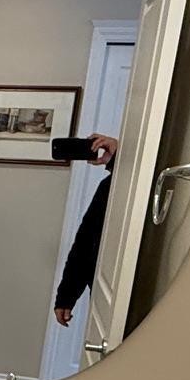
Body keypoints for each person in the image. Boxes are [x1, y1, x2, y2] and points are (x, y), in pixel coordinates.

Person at [53, 135, 121, 325]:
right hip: (104, 294)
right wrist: (66, 296)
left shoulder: (126, 185)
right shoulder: (108, 187)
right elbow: (85, 240)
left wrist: (119, 162)